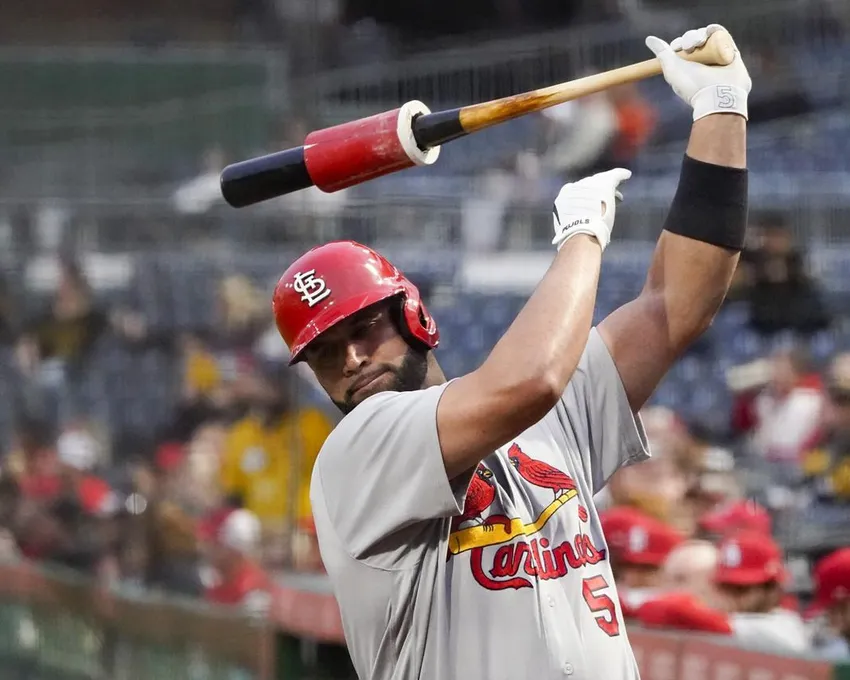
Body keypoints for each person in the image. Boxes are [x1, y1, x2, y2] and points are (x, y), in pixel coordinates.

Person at [272, 24, 751, 680]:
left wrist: (721, 108)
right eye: (325, 353)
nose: (351, 359)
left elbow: (676, 305)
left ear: (414, 315)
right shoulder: (358, 454)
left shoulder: (540, 423)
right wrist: (582, 235)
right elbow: (533, 380)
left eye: (362, 330)